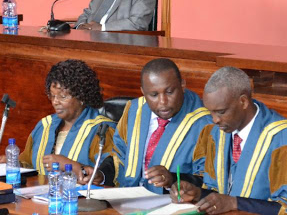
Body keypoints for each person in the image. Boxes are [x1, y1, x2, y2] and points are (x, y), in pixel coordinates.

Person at [170, 67, 287, 215]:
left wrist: (234, 202)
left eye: (221, 112)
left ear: (243, 101)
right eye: (211, 112)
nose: (214, 120)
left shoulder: (285, 139)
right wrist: (197, 194)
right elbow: (217, 191)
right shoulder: (217, 133)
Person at [79, 58, 212, 194]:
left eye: (170, 92)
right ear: (143, 91)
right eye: (154, 95)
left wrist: (172, 179)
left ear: (182, 84)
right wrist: (101, 174)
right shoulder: (135, 110)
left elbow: (208, 181)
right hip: (129, 199)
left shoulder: (205, 123)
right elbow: (119, 156)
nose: (163, 102)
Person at [0, 59, 116, 177]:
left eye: (63, 97)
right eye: (52, 96)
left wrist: (73, 166)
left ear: (82, 97)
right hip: (39, 195)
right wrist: (14, 164)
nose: (55, 102)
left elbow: (107, 176)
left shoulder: (101, 130)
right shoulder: (45, 126)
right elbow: (30, 165)